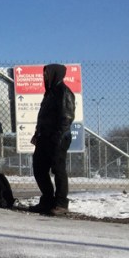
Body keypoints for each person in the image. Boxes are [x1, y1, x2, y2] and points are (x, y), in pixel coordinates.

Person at [29, 64, 76, 215]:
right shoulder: (49, 93)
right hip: (45, 137)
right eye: (44, 74)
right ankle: (47, 200)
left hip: (58, 138)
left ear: (55, 74)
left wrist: (57, 137)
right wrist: (38, 134)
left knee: (58, 169)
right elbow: (43, 117)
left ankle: (61, 204)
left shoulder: (63, 92)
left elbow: (66, 117)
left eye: (47, 74)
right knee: (39, 168)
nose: (44, 76)